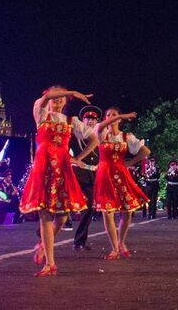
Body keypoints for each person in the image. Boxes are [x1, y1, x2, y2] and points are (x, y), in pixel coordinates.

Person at [18, 85, 94, 276]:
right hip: (44, 167)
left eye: (62, 99)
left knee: (61, 216)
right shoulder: (41, 113)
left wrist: (79, 158)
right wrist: (71, 93)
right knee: (45, 212)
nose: (58, 101)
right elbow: (46, 97)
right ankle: (50, 263)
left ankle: (43, 245)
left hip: (62, 168)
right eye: (56, 98)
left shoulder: (71, 121)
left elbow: (93, 138)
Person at [74, 107, 144, 258]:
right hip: (105, 175)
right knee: (108, 212)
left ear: (119, 120)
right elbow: (99, 125)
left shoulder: (126, 137)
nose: (110, 118)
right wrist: (124, 115)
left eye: (114, 115)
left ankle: (121, 242)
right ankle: (114, 248)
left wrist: (131, 161)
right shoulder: (101, 133)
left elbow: (145, 151)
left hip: (121, 174)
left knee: (127, 211)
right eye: (107, 115)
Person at [68, 105, 101, 249]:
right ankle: (56, 224)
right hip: (77, 173)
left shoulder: (100, 136)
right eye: (87, 118)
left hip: (92, 175)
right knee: (67, 202)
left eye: (93, 119)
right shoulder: (75, 135)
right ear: (82, 120)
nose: (90, 121)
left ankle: (80, 240)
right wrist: (72, 159)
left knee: (90, 208)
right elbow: (62, 147)